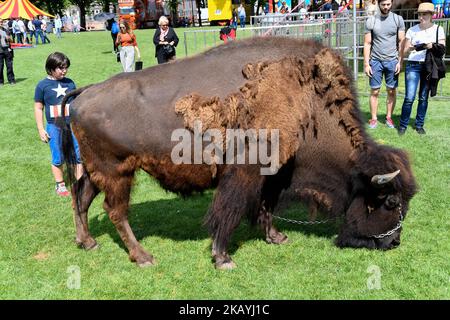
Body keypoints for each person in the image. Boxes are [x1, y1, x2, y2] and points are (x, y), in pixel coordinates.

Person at [34, 52, 83, 196]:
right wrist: (41, 129)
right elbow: (38, 107)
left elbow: (77, 102)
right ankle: (60, 184)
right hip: (54, 126)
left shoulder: (70, 82)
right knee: (58, 156)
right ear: (50, 68)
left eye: (66, 67)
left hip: (72, 124)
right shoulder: (42, 85)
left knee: (78, 154)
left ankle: (80, 183)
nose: (64, 71)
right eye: (60, 68)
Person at [398, 2, 446, 135]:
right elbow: (405, 50)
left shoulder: (438, 29)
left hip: (429, 66)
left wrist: (431, 45)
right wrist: (410, 48)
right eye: (419, 14)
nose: (421, 17)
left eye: (424, 14)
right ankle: (403, 125)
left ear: (431, 15)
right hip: (413, 64)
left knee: (423, 97)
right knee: (409, 97)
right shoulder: (412, 30)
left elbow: (442, 48)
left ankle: (419, 125)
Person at [363, 0, 405, 129]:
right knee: (375, 91)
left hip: (392, 61)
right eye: (383, 5)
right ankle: (374, 119)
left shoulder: (398, 19)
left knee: (391, 90)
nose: (386, 7)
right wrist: (366, 64)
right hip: (375, 61)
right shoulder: (371, 21)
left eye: (388, 4)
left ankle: (389, 118)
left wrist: (400, 62)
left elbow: (401, 42)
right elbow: (367, 43)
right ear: (378, 4)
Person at [0, 18, 16, 86]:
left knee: (9, 66)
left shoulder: (6, 30)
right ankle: (0, 82)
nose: (1, 23)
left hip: (7, 50)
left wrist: (9, 39)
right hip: (0, 51)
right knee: (0, 67)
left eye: (1, 22)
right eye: (0, 22)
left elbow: (12, 41)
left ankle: (11, 80)